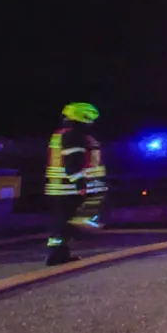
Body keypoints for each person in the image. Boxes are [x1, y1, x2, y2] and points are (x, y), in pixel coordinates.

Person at [44, 102, 106, 266]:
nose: (92, 123)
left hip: (59, 187)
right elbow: (72, 161)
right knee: (79, 217)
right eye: (90, 119)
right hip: (70, 188)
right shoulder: (74, 135)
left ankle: (57, 253)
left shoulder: (61, 134)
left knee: (61, 223)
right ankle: (72, 238)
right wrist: (80, 183)